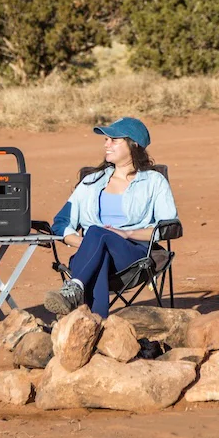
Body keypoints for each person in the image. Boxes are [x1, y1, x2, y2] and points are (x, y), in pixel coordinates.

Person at [43, 117, 178, 318]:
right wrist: (88, 243)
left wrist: (127, 233)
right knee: (99, 250)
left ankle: (75, 288)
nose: (106, 144)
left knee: (98, 232)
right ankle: (98, 323)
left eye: (114, 140)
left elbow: (168, 227)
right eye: (106, 140)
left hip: (132, 255)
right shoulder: (91, 182)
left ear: (134, 144)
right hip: (91, 254)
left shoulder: (153, 182)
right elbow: (61, 224)